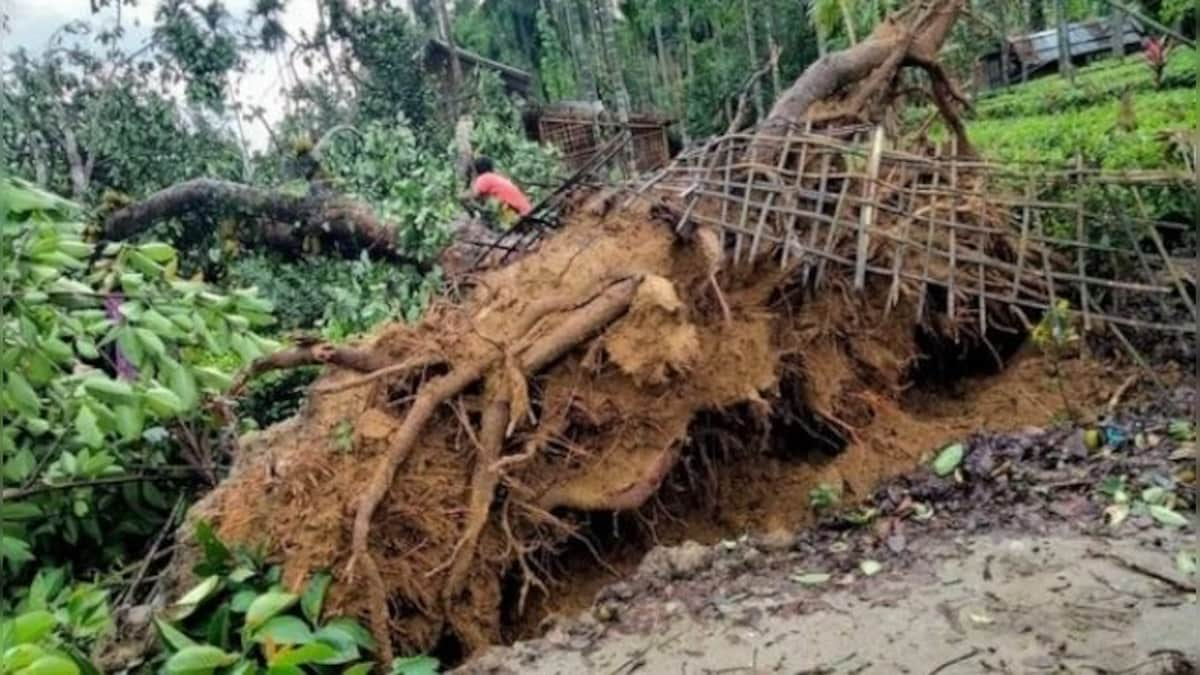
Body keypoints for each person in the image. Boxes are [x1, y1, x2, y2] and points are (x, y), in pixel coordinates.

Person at [461, 156, 532, 228]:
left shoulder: (484, 178)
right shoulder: (495, 177)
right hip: (525, 209)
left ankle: (480, 221)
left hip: (517, 215)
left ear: (477, 170)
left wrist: (461, 195)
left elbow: (474, 195)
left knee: (473, 200)